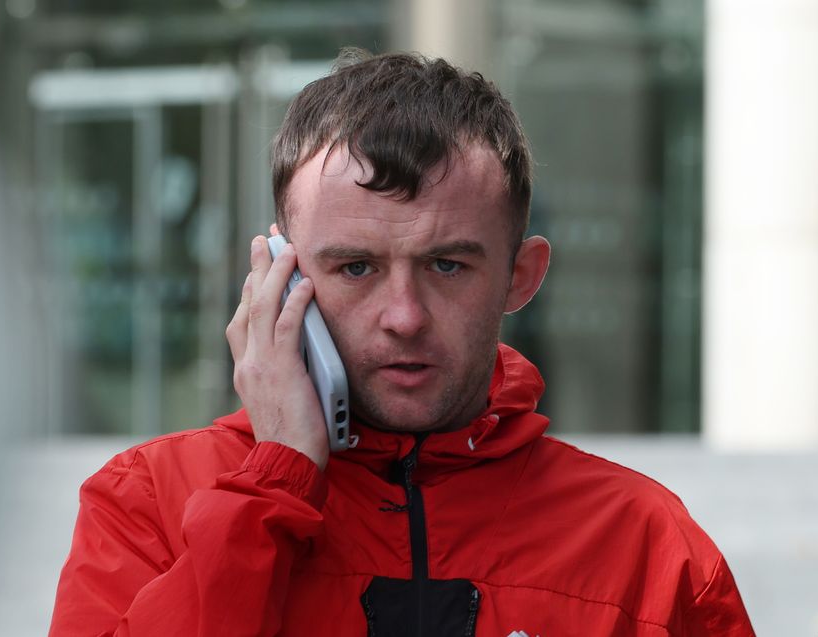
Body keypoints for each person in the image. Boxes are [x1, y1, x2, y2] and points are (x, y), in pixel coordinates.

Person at [49, 49, 755, 636]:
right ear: (280, 276)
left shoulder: (646, 545)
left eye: (447, 265)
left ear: (520, 276)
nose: (405, 317)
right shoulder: (148, 503)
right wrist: (273, 483)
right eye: (356, 268)